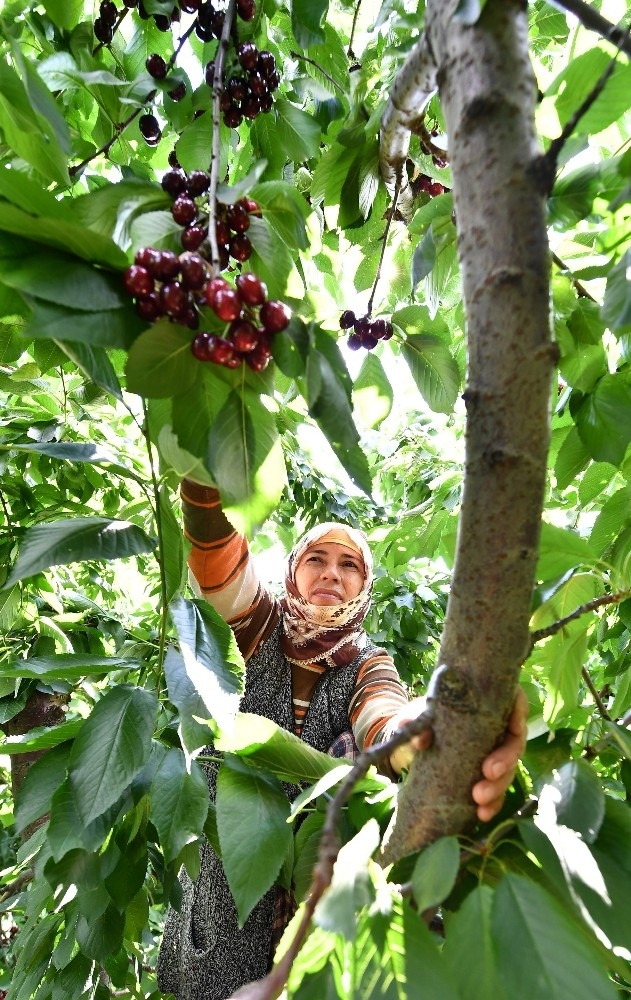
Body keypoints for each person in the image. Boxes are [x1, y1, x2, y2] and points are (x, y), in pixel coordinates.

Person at [157, 480, 527, 1000]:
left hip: (315, 898)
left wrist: (448, 726)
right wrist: (206, 469)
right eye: (317, 559)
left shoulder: (367, 664)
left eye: (349, 565)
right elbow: (217, 560)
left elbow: (385, 721)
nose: (332, 572)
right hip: (225, 887)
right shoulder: (255, 628)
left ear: (364, 584)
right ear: (293, 571)